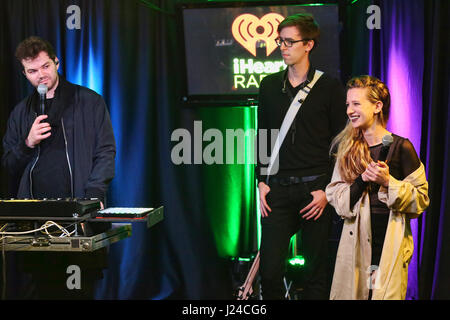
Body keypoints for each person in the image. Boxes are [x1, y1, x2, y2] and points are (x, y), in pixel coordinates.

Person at [2, 36, 116, 299]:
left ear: (57, 62)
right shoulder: (21, 113)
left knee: (78, 290)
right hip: (37, 225)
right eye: (32, 71)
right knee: (44, 289)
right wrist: (27, 143)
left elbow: (105, 151)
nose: (40, 76)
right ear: (24, 73)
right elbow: (9, 164)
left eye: (45, 67)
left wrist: (93, 196)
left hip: (79, 219)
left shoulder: (88, 101)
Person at [256, 13, 347, 299]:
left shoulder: (330, 87)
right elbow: (263, 137)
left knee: (315, 272)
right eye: (279, 41)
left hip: (315, 190)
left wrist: (326, 191)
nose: (282, 47)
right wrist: (260, 181)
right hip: (278, 190)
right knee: (269, 271)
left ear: (308, 45)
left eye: (289, 41)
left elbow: (340, 144)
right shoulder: (269, 86)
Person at [325, 75, 429, 300]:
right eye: (347, 104)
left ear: (377, 106)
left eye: (356, 104)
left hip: (386, 247)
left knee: (380, 293)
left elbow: (420, 200)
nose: (349, 110)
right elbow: (338, 200)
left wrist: (387, 182)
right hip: (356, 248)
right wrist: (362, 179)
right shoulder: (347, 150)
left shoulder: (402, 147)